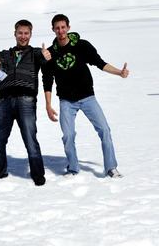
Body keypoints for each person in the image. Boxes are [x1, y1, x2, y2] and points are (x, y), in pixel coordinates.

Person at [44, 14, 132, 177]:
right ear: (53, 30)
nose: (61, 31)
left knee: (104, 130)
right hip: (66, 101)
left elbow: (100, 63)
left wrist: (119, 72)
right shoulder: (49, 54)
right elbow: (47, 81)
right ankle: (73, 168)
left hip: (87, 97)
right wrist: (48, 105)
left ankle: (111, 167)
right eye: (57, 28)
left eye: (63, 27)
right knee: (68, 135)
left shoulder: (82, 46)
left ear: (68, 28)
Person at [0, 19, 54, 186]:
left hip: (26, 101)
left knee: (31, 140)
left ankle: (38, 177)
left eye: (26, 33)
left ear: (31, 34)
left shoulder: (36, 53)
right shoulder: (4, 54)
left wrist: (47, 57)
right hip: (4, 102)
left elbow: (47, 64)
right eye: (20, 33)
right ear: (15, 33)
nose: (23, 36)